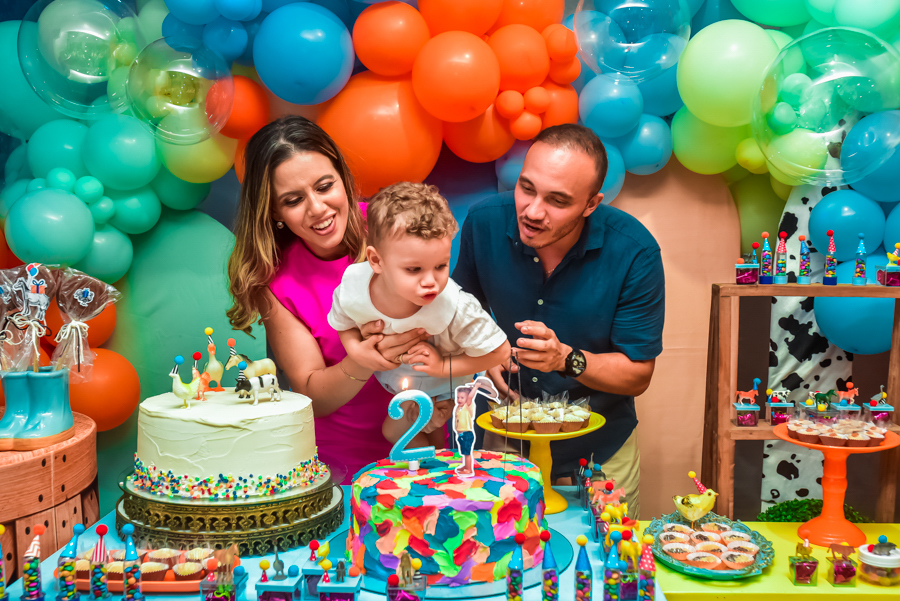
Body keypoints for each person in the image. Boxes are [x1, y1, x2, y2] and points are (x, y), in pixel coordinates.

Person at [452, 124, 665, 518]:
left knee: (606, 570)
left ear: (590, 204)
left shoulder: (635, 252)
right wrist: (486, 354)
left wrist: (566, 359)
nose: (533, 211)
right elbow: (457, 316)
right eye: (526, 188)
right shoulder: (483, 223)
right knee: (495, 561)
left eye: (558, 201)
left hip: (600, 454)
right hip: (503, 445)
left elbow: (638, 374)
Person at [226, 116, 430, 480]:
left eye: (324, 186)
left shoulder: (394, 227)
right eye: (293, 200)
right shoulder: (275, 281)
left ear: (344, 177)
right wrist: (364, 360)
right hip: (342, 469)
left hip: (425, 450)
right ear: (274, 211)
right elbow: (312, 395)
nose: (317, 208)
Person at [326, 182, 510, 448]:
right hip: (400, 382)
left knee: (395, 432)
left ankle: (432, 483)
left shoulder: (455, 305)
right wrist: (355, 351)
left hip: (441, 383)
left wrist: (441, 367)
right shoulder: (355, 287)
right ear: (376, 261)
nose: (431, 282)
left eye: (440, 266)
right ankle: (432, 482)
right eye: (414, 269)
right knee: (425, 439)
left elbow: (500, 351)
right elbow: (343, 323)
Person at [453, 376, 499, 475]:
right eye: (458, 397)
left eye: (462, 398)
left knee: (467, 452)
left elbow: (470, 397)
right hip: (461, 434)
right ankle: (465, 466)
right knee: (464, 452)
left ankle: (469, 469)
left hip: (467, 434)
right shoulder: (458, 408)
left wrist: (476, 387)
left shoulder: (467, 406)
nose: (459, 400)